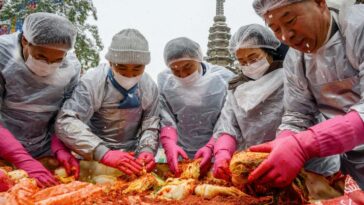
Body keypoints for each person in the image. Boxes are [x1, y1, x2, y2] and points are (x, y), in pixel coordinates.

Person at [248, 0, 364, 189]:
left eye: (291, 20)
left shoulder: (359, 26)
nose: (286, 36)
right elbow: (297, 115)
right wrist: (283, 143)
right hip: (352, 166)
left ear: (320, 3)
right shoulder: (295, 59)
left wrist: (304, 144)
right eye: (275, 29)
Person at [212, 24, 339, 181]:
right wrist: (223, 151)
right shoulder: (236, 88)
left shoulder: (293, 76)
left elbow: (300, 117)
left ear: (270, 52)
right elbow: (227, 126)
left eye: (253, 58)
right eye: (242, 61)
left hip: (310, 166)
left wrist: (285, 147)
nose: (248, 65)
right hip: (259, 165)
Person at [56, 29, 159, 175]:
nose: (129, 74)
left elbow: (150, 123)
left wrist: (146, 149)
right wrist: (102, 152)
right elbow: (66, 121)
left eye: (137, 68)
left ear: (145, 65)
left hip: (131, 160)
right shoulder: (93, 81)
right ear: (110, 62)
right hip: (93, 156)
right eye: (121, 67)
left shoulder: (148, 86)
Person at [0, 12, 81, 188]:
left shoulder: (72, 67)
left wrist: (60, 147)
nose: (48, 64)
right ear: (25, 41)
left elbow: (64, 114)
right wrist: (23, 161)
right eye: (41, 57)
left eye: (58, 60)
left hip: (42, 149)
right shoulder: (2, 55)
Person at [158, 37, 234, 176]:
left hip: (219, 149)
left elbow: (227, 118)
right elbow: (165, 116)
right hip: (181, 152)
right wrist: (169, 143)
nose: (183, 74)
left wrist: (212, 146)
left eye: (188, 67)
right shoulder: (165, 81)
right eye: (175, 69)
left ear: (198, 58)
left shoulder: (222, 79)